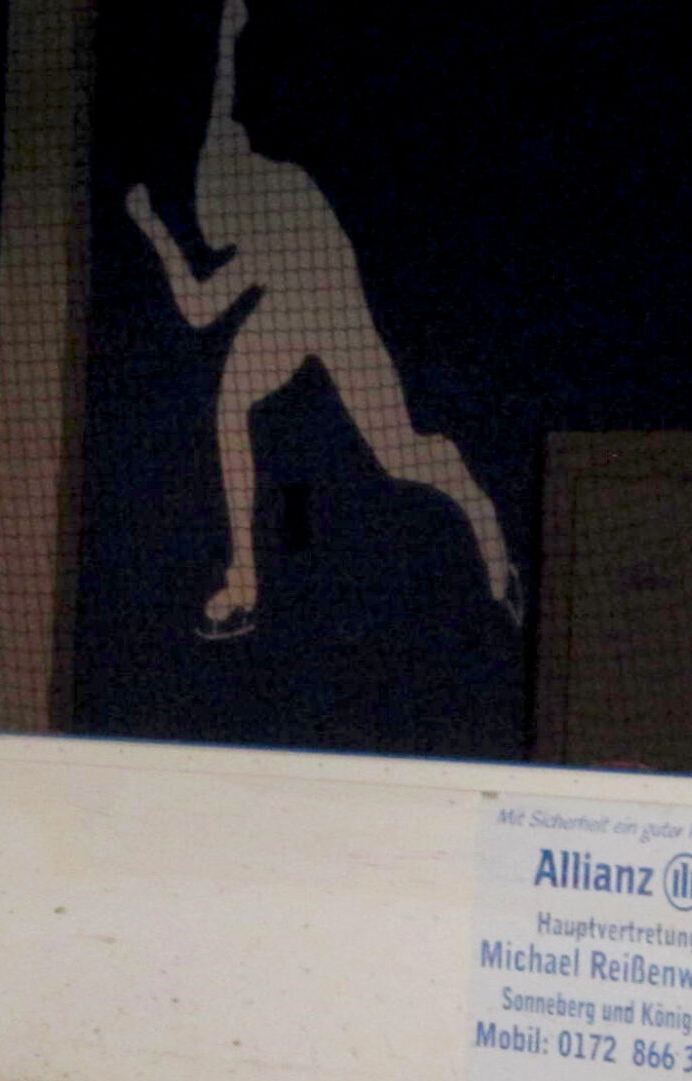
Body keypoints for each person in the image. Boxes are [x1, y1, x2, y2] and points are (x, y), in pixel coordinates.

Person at [124, 0, 519, 638]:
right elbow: (219, 107)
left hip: (337, 320)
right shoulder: (232, 169)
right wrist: (227, 36)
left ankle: (472, 500)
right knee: (230, 409)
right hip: (289, 310)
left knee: (400, 457)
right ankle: (245, 577)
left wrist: (153, 229)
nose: (217, 235)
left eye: (219, 228)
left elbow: (199, 309)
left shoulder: (282, 205)